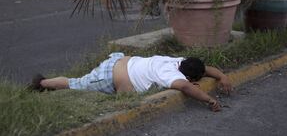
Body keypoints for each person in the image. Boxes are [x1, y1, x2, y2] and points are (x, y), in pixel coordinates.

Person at [29, 52, 232, 112]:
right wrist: (210, 101)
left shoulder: (179, 61)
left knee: (79, 83)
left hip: (121, 63)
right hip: (112, 75)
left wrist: (222, 76)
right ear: (188, 77)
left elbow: (205, 70)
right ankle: (41, 83)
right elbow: (186, 87)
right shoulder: (173, 76)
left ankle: (45, 84)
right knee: (75, 84)